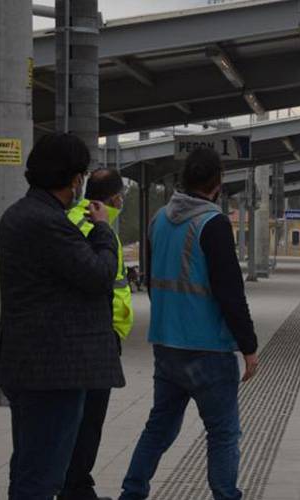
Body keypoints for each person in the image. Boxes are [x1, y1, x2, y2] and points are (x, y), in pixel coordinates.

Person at [0, 132, 125, 500]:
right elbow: (98, 275)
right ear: (75, 179)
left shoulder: (22, 214)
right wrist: (103, 230)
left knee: (32, 467)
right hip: (51, 370)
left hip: (33, 364)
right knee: (41, 475)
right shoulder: (45, 222)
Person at [119, 147, 259, 500]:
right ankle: (225, 495)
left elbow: (152, 279)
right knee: (223, 433)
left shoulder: (158, 220)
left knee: (159, 427)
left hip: (167, 344)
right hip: (208, 347)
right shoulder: (213, 223)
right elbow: (230, 291)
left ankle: (131, 492)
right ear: (218, 182)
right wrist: (249, 346)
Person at [60, 168, 134, 500]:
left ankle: (75, 484)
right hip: (96, 336)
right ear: (115, 197)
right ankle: (75, 488)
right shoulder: (92, 225)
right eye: (121, 196)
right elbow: (97, 278)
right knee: (88, 419)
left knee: (81, 419)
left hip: (96, 333)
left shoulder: (77, 219)